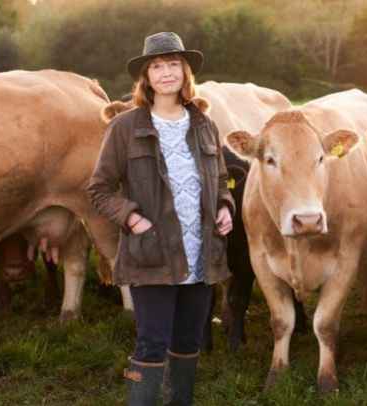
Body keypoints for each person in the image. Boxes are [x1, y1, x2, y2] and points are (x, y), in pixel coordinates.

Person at [87, 31, 234, 406]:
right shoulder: (125, 128)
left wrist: (224, 208)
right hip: (151, 254)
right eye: (157, 66)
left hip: (201, 253)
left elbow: (220, 183)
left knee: (188, 340)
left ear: (185, 74)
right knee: (152, 342)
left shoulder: (204, 125)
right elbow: (99, 190)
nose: (166, 72)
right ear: (146, 78)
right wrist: (133, 220)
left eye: (173, 65)